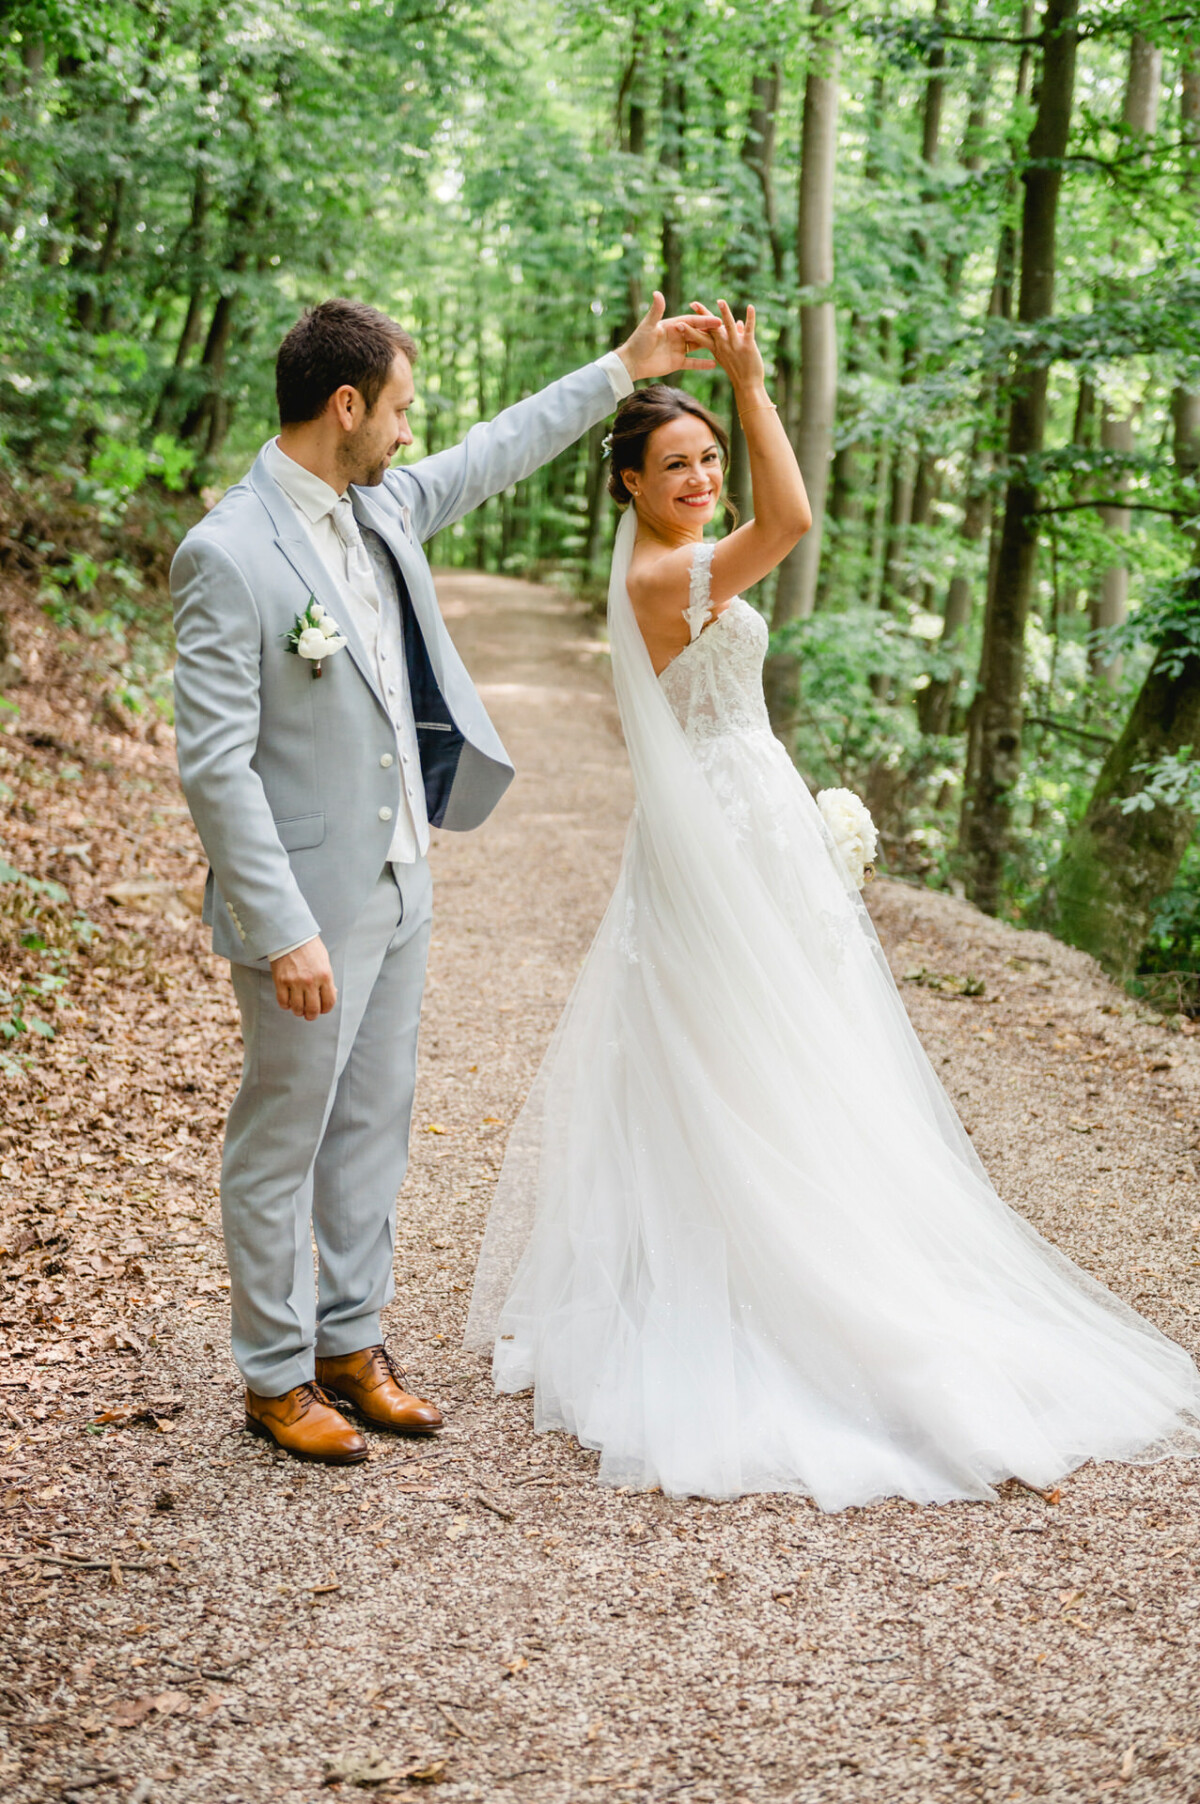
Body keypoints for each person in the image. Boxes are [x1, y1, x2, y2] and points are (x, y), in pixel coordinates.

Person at [465, 301, 1200, 1508]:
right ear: (630, 488)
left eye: (708, 458)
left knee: (771, 1048)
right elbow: (795, 519)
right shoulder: (666, 575)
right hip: (727, 837)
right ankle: (766, 1279)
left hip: (745, 815)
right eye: (678, 466)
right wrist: (752, 384)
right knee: (742, 1052)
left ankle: (768, 1244)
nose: (701, 480)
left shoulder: (670, 559)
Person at [171, 293, 715, 1464]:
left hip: (405, 878)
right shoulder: (226, 553)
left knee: (375, 1123)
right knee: (283, 1135)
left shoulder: (384, 507)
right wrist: (281, 930)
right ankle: (274, 1376)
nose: (413, 432)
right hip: (306, 912)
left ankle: (349, 1341)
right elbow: (214, 766)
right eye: (401, 408)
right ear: (347, 405)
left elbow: (498, 448)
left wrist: (624, 367)